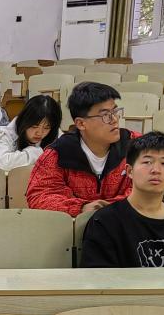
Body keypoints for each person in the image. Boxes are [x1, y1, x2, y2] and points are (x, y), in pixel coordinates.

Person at [81, 131, 164, 267]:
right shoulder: (105, 222)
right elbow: (97, 276)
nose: (156, 170)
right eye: (147, 162)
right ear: (129, 171)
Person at [26, 82, 135, 217]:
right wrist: (81, 207)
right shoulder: (58, 153)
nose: (114, 120)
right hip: (75, 227)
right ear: (81, 123)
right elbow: (39, 196)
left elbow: (148, 190)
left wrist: (108, 209)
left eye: (115, 112)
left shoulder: (138, 147)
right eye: (106, 115)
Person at [0, 95, 62, 171]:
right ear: (24, 121)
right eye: (34, 126)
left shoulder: (55, 133)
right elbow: (2, 164)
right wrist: (36, 153)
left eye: (46, 128)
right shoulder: (8, 133)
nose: (39, 133)